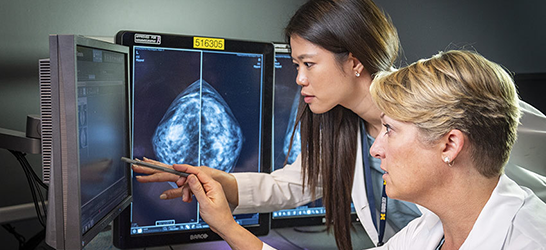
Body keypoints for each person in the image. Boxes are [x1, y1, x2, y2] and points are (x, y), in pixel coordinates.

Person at [133, 0, 546, 249]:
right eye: (295, 65)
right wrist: (224, 186)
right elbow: (300, 182)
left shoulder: (452, 102)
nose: (298, 79)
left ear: (353, 61)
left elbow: (515, 149)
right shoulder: (345, 128)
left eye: (308, 64)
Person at [367, 50, 546, 249]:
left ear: (450, 145)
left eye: (389, 129)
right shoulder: (426, 231)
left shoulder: (531, 243)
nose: (375, 150)